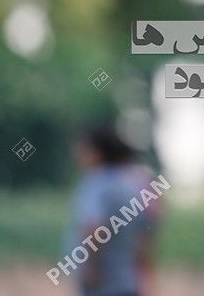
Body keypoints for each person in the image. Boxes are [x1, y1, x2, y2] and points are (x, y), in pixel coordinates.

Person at [66, 126, 160, 296]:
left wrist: (91, 267)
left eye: (83, 149)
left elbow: (94, 227)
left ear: (97, 152)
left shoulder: (96, 183)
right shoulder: (131, 184)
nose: (77, 154)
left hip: (103, 286)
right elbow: (145, 233)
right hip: (128, 282)